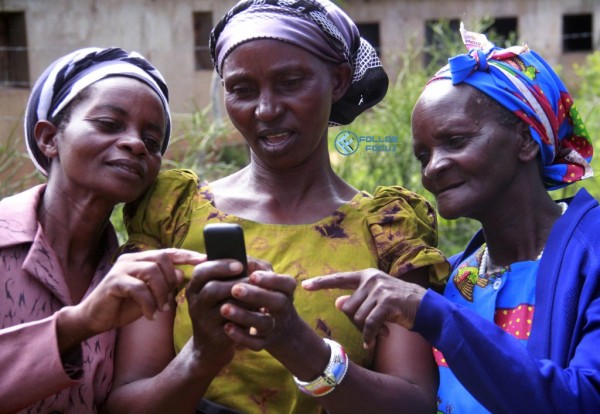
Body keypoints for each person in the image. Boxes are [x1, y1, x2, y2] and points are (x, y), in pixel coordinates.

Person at [103, 1, 449, 413]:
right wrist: (202, 355)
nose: (266, 110)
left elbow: (415, 403)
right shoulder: (173, 217)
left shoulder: (388, 231)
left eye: (290, 82)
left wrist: (297, 344)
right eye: (242, 90)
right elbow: (124, 404)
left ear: (338, 80)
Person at [303, 25, 600, 413]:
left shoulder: (590, 251)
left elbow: (585, 399)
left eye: (455, 141)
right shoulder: (456, 279)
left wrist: (432, 314)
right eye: (423, 156)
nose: (433, 169)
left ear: (526, 140)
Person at [0, 47, 206, 413]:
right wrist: (77, 324)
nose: (136, 144)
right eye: (109, 124)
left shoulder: (136, 278)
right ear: (49, 138)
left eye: (153, 142)